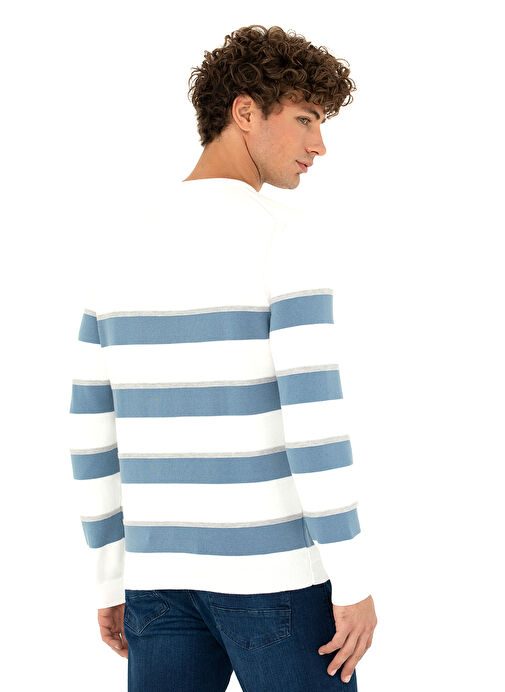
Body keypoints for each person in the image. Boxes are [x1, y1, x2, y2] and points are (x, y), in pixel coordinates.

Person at [68, 24, 377, 691]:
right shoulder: (283, 238)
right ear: (244, 112)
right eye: (305, 119)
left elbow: (90, 432)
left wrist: (110, 579)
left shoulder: (114, 246)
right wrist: (352, 579)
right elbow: (314, 425)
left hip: (155, 585)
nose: (319, 145)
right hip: (277, 583)